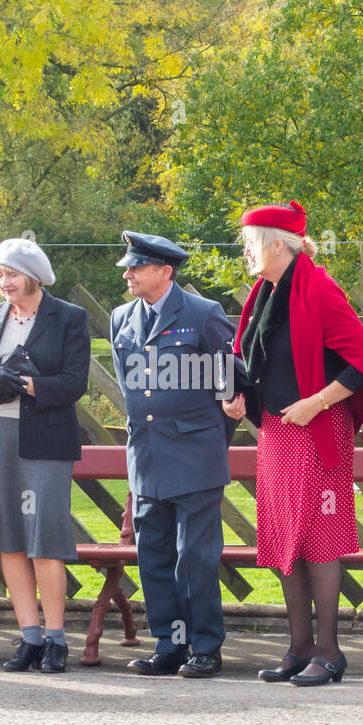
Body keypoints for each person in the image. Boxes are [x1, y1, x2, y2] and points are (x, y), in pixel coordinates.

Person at [224, 201, 363, 687]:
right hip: (276, 432)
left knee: (317, 539)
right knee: (284, 540)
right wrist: (240, 399)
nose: (245, 252)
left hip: (316, 429)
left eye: (250, 243)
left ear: (278, 244)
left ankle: (330, 653)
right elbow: (256, 362)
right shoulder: (265, 291)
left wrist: (317, 402)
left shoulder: (319, 288)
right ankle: (298, 648)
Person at [0, 239, 90, 673]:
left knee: (43, 537)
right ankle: (29, 637)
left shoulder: (69, 317)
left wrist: (26, 385)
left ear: (33, 275)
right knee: (8, 536)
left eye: (12, 273)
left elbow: (73, 383)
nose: (4, 282)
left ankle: (56, 639)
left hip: (44, 441)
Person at [110, 231, 236, 678]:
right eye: (128, 266)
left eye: (136, 267)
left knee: (196, 557)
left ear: (165, 271)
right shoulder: (122, 317)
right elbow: (132, 389)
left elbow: (230, 389)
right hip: (146, 458)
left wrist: (204, 442)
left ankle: (205, 645)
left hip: (195, 457)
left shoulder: (203, 314)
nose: (127, 273)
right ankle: (170, 643)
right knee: (154, 555)